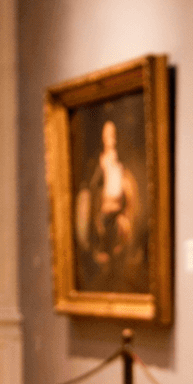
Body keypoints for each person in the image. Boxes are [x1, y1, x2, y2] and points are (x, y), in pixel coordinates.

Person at [74, 119, 144, 292]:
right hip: (102, 215)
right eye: (107, 135)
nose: (110, 139)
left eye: (113, 135)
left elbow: (128, 190)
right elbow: (92, 190)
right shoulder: (99, 164)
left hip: (117, 213)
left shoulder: (121, 166)